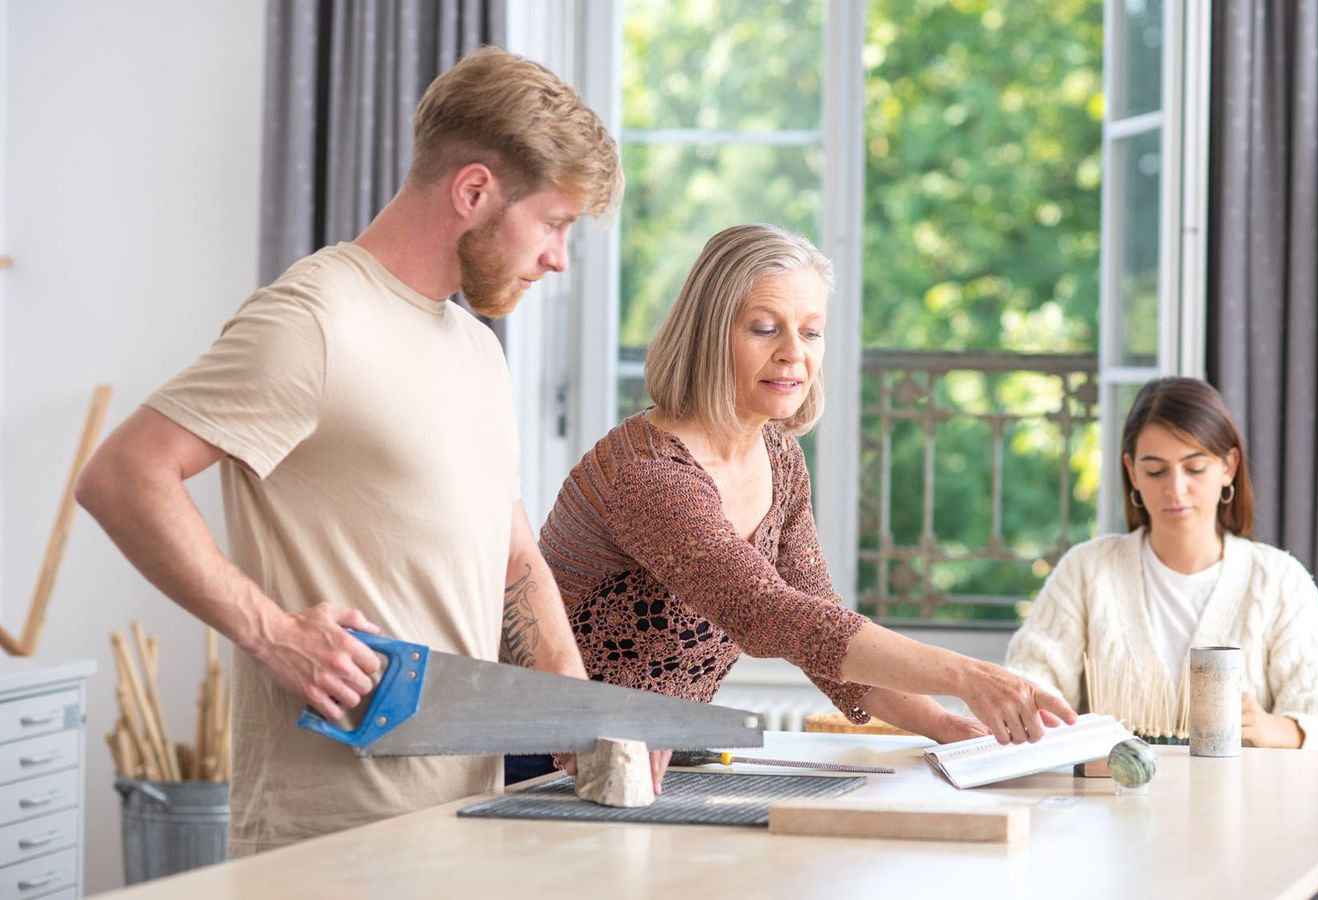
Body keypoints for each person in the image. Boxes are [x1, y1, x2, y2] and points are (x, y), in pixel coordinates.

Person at [75, 47, 621, 854]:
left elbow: (512, 560)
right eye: (553, 223)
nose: (558, 258)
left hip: (461, 822)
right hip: (327, 835)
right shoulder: (315, 318)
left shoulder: (477, 352)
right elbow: (122, 474)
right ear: (474, 191)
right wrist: (271, 631)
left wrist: (583, 716)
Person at [531, 223, 1075, 774]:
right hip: (544, 756)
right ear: (707, 335)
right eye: (765, 329)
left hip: (636, 759)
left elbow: (823, 632)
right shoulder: (648, 475)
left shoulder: (779, 456)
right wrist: (969, 676)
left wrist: (948, 726)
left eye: (811, 332)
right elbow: (768, 613)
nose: (793, 353)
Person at [1006, 377, 1318, 750]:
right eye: (1155, 471)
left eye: (1195, 468)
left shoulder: (1279, 581)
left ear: (1228, 466)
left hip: (1247, 808)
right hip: (1113, 806)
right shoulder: (1087, 572)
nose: (1176, 489)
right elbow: (1025, 691)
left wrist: (1278, 729)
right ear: (1132, 471)